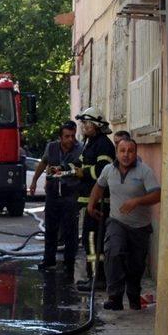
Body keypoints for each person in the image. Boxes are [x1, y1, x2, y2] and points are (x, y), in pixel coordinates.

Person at [87, 138, 160, 310]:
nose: (126, 154)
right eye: (122, 151)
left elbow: (157, 195)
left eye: (130, 151)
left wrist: (137, 201)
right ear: (117, 153)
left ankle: (133, 293)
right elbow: (99, 186)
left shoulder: (144, 171)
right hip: (116, 221)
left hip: (139, 227)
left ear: (135, 153)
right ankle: (115, 296)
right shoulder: (108, 170)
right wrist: (91, 205)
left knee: (136, 264)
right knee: (113, 251)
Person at [29, 121, 82, 273]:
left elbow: (81, 170)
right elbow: (43, 163)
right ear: (60, 137)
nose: (70, 139)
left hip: (70, 194)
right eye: (67, 136)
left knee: (70, 231)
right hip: (53, 193)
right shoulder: (51, 147)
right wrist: (34, 182)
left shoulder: (80, 150)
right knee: (51, 229)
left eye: (72, 136)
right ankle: (48, 260)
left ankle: (68, 263)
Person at [74, 107, 116, 291]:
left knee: (94, 239)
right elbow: (79, 163)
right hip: (87, 199)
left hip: (99, 201)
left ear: (96, 124)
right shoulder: (90, 143)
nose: (83, 126)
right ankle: (93, 276)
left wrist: (84, 172)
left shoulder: (103, 144)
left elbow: (102, 171)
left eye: (86, 123)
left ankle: (98, 278)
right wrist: (63, 168)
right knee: (89, 240)